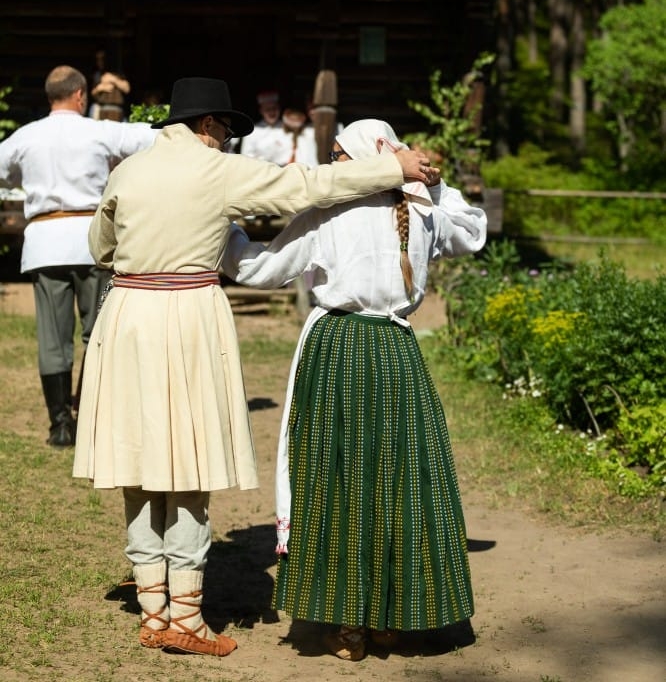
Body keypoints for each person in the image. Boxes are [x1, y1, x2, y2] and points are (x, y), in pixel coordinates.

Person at [72, 78, 434, 660]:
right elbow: (308, 185)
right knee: (188, 464)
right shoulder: (218, 171)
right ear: (210, 125)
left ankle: (153, 607)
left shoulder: (129, 170)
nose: (226, 141)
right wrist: (395, 169)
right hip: (185, 313)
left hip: (126, 316)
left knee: (137, 458)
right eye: (226, 131)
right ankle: (186, 618)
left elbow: (101, 246)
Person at [222, 118, 487, 661]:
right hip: (395, 355)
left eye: (342, 155)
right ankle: (392, 617)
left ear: (368, 158)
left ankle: (348, 625)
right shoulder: (422, 210)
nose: (338, 165)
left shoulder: (328, 212)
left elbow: (259, 269)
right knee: (396, 481)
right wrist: (431, 184)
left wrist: (220, 227)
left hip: (338, 350)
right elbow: (473, 231)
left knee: (336, 480)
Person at [0, 65, 155, 447]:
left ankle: (60, 425)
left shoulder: (26, 136)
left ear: (49, 95)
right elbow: (150, 139)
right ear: (81, 95)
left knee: (53, 340)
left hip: (45, 243)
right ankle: (90, 417)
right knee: (99, 333)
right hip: (90, 240)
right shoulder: (98, 130)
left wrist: (27, 181)